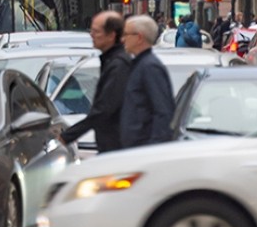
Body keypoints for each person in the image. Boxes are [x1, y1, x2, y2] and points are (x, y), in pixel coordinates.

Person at [61, 11, 131, 154]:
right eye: (91, 30)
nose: (91, 35)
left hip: (117, 148)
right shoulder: (109, 61)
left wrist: (67, 136)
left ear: (111, 35)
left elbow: (104, 109)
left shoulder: (119, 66)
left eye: (96, 31)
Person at [120, 15, 176, 148]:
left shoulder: (150, 67)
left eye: (126, 34)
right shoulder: (139, 65)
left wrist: (153, 147)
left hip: (143, 149)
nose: (122, 39)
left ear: (139, 37)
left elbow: (163, 111)